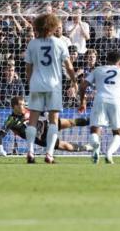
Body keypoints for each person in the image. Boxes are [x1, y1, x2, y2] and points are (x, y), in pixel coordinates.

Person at [24, 13, 77, 164]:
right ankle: (49, 154)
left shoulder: (32, 44)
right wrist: (74, 81)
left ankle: (30, 152)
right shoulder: (59, 43)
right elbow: (68, 66)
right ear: (53, 27)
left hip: (36, 84)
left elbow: (28, 68)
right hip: (54, 85)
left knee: (33, 119)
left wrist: (30, 82)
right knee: (53, 120)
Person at [78, 51, 120, 164]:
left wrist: (82, 102)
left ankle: (95, 147)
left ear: (107, 60)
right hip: (117, 101)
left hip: (100, 99)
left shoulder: (98, 70)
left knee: (95, 128)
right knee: (118, 132)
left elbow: (82, 86)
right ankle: (109, 153)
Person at [0, 96, 91, 156]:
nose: (24, 107)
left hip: (46, 125)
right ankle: (88, 147)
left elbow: (38, 109)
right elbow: (0, 134)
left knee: (70, 122)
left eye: (24, 104)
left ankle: (91, 121)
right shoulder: (11, 120)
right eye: (21, 105)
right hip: (41, 138)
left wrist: (45, 113)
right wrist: (0, 148)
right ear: (14, 107)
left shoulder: (27, 108)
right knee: (66, 146)